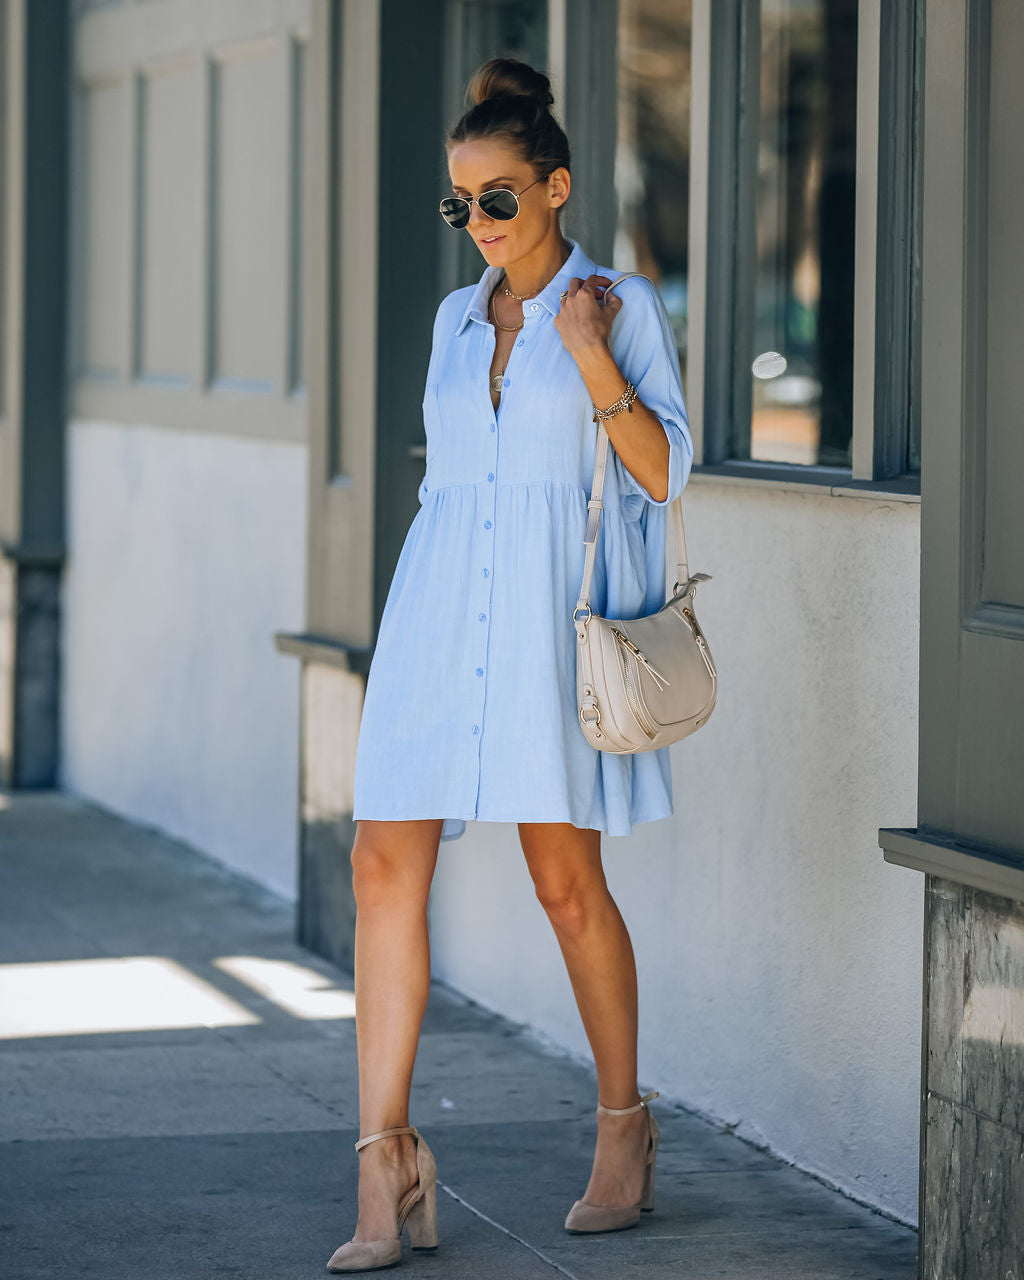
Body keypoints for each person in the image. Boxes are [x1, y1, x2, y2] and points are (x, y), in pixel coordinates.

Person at [327, 55, 693, 1274]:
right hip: (436, 610)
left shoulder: (620, 302)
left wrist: (588, 353)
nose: (477, 226)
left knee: (562, 882)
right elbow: (454, 487)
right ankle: (385, 1168)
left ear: (555, 187)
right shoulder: (450, 317)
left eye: (497, 200)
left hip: (546, 615)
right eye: (460, 205)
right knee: (382, 862)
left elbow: (660, 476)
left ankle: (625, 1130)